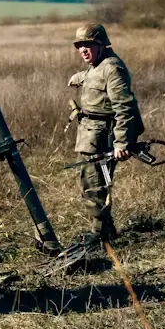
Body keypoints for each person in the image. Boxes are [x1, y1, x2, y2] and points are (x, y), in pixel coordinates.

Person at [67, 23, 144, 246]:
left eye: (87, 44)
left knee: (94, 182)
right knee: (92, 179)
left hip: (102, 136)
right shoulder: (96, 65)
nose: (82, 50)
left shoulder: (112, 68)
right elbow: (95, 77)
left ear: (100, 44)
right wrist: (79, 77)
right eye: (79, 45)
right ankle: (106, 230)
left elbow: (124, 107)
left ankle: (99, 234)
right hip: (90, 133)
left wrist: (121, 142)